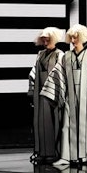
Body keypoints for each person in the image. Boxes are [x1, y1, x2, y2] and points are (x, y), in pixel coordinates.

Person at [41, 24, 87, 167]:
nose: (73, 39)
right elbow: (58, 76)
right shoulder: (66, 56)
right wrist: (56, 92)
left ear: (82, 37)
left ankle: (86, 156)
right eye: (71, 36)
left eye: (75, 36)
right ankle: (67, 156)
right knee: (67, 125)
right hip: (69, 94)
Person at [28, 26, 64, 164]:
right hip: (40, 92)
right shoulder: (40, 54)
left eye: (47, 39)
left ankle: (54, 152)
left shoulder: (59, 55)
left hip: (53, 92)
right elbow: (33, 73)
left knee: (53, 122)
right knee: (41, 122)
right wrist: (32, 90)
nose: (45, 41)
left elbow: (61, 75)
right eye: (43, 39)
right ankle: (42, 151)